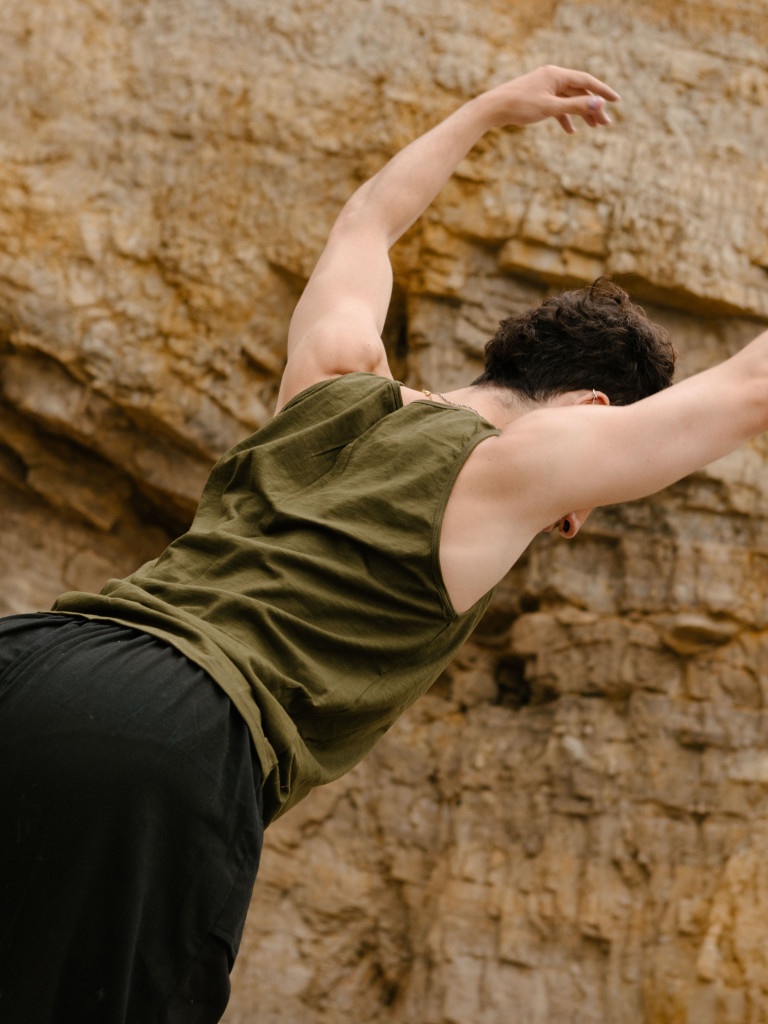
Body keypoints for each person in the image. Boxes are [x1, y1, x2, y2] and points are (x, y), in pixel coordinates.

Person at [1, 63, 766, 1023]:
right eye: (591, 497)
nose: (574, 516)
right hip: (172, 737)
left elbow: (366, 221)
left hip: (34, 655)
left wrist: (492, 109)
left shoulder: (331, 378)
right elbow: (749, 389)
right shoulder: (516, 467)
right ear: (589, 410)